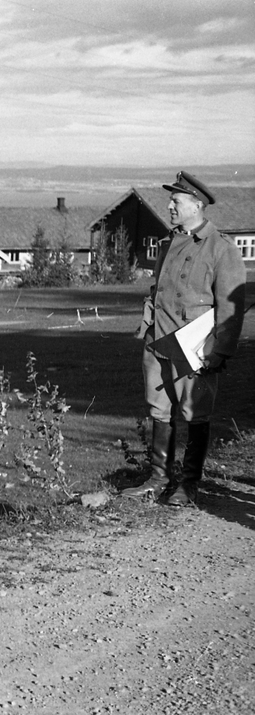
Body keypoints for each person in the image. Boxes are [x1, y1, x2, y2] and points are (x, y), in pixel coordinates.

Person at [123, 171, 245, 506]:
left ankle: (188, 485)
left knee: (196, 413)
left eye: (176, 201)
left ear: (196, 205)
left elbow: (231, 311)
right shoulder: (169, 243)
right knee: (160, 410)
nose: (169, 206)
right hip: (159, 341)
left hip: (194, 349)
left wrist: (218, 352)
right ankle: (158, 477)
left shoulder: (221, 250)